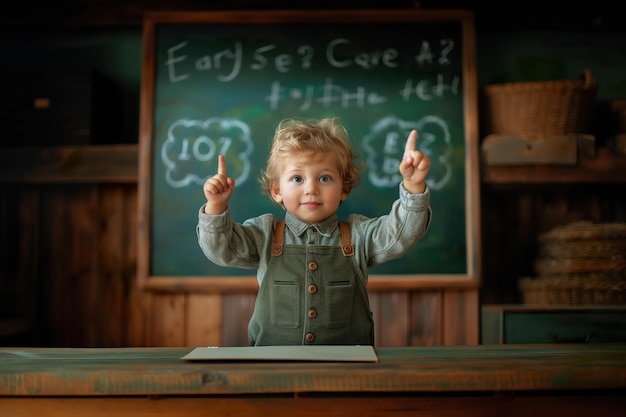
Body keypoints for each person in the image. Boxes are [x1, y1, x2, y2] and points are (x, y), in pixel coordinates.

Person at [197, 117, 431, 346]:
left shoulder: (359, 235)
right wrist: (216, 207)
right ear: (277, 190)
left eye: (325, 178)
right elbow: (222, 250)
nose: (311, 189)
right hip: (271, 367)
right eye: (297, 178)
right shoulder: (264, 234)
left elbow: (401, 234)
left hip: (348, 370)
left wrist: (413, 186)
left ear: (344, 189)